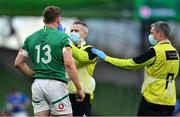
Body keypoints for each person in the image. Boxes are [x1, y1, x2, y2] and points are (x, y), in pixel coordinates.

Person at [91, 21, 179, 116]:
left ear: (160, 34)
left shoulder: (155, 52)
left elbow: (131, 64)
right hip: (169, 99)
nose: (150, 35)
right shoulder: (175, 52)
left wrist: (106, 58)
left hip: (154, 98)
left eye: (152, 32)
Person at [14, 6, 85, 116]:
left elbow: (18, 63)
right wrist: (79, 88)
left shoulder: (30, 38)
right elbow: (69, 64)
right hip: (55, 85)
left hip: (37, 86)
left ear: (44, 20)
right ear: (58, 20)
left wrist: (34, 75)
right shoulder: (63, 38)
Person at [67, 21, 97, 116]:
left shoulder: (91, 50)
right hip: (64, 95)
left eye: (76, 31)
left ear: (85, 34)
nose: (73, 33)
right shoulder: (66, 50)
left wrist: (68, 44)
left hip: (81, 96)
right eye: (71, 30)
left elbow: (82, 57)